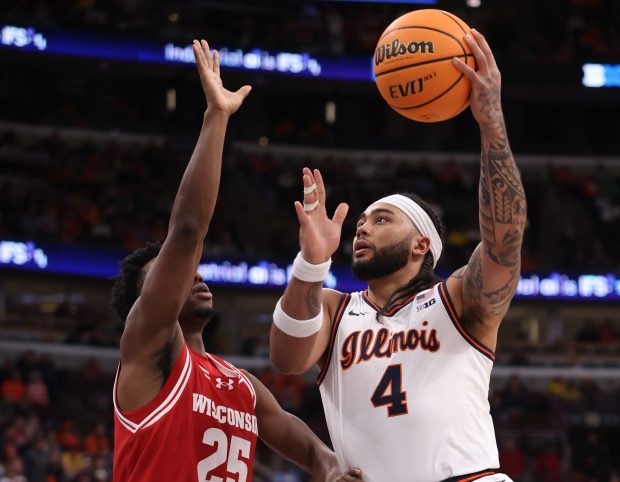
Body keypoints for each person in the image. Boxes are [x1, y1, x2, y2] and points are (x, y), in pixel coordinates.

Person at [270, 30, 526, 482]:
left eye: (383, 219)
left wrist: (491, 123)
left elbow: (505, 241)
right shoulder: (335, 308)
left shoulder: (459, 301)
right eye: (363, 220)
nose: (363, 226)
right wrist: (311, 261)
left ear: (420, 244)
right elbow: (286, 360)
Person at [110, 39, 363, 482]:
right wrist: (216, 116)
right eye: (180, 276)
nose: (196, 277)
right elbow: (187, 232)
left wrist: (328, 467)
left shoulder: (238, 383)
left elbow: (298, 438)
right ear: (146, 300)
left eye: (196, 273)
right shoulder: (149, 348)